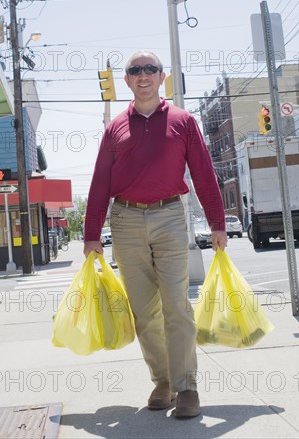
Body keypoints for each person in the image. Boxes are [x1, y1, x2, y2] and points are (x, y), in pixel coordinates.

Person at [84, 50, 227, 418]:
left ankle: (187, 387)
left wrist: (217, 224)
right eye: (135, 70)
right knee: (144, 311)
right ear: (128, 81)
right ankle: (162, 381)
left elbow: (204, 174)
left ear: (162, 77)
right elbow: (100, 182)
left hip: (170, 216)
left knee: (176, 304)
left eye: (150, 69)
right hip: (126, 220)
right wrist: (91, 234)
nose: (143, 75)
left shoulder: (183, 121)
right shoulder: (115, 128)